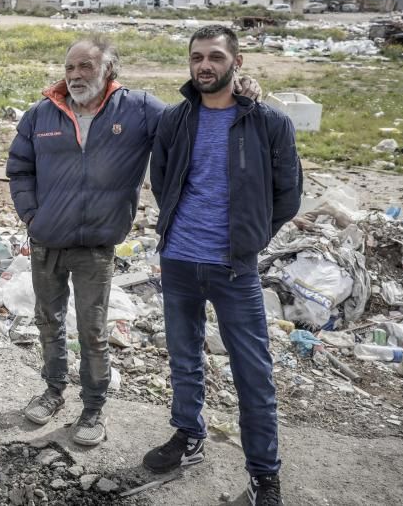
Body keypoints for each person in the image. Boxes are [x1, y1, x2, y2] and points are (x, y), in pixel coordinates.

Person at [7, 36, 260, 447]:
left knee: (92, 330)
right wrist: (32, 215)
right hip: (46, 241)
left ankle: (92, 409)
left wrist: (240, 87)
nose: (75, 76)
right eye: (70, 67)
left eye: (85, 67)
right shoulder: (41, 114)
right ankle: (53, 390)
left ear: (109, 70)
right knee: (48, 322)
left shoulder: (139, 109)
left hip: (96, 246)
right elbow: (19, 167)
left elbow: (189, 118)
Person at [143, 25, 300, 506]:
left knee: (253, 372)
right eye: (196, 58)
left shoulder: (269, 122)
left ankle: (263, 474)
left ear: (237, 61)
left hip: (235, 269)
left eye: (214, 56)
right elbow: (161, 179)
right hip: (179, 262)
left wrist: (250, 238)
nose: (204, 65)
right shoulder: (176, 119)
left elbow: (287, 195)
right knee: (184, 358)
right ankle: (189, 437)